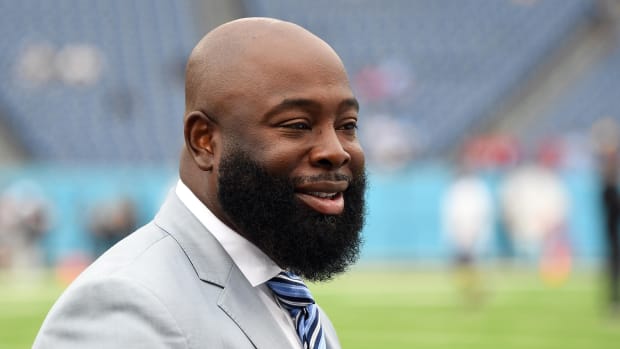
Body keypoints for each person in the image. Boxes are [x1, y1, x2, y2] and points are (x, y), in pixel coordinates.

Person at [33, 17, 366, 349]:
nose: (336, 152)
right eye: (297, 124)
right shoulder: (125, 310)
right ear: (204, 140)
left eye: (347, 125)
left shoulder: (299, 310)